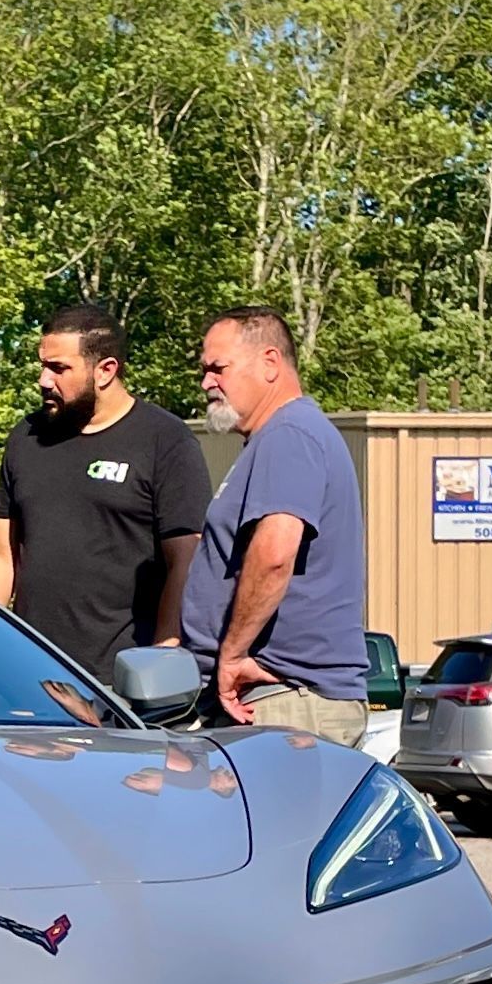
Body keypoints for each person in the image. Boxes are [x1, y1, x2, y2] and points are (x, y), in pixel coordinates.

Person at [0, 303, 212, 686]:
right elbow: (0, 553)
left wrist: (162, 662)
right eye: (43, 365)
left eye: (59, 368)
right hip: (28, 678)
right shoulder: (27, 437)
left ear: (106, 370)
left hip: (120, 685)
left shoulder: (165, 441)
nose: (43, 380)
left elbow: (185, 563)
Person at [180, 307, 368, 744]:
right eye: (205, 371)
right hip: (274, 702)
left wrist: (232, 656)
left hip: (286, 702)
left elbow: (274, 554)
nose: (207, 382)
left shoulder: (290, 434)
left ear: (269, 364)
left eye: (218, 369)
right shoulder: (278, 437)